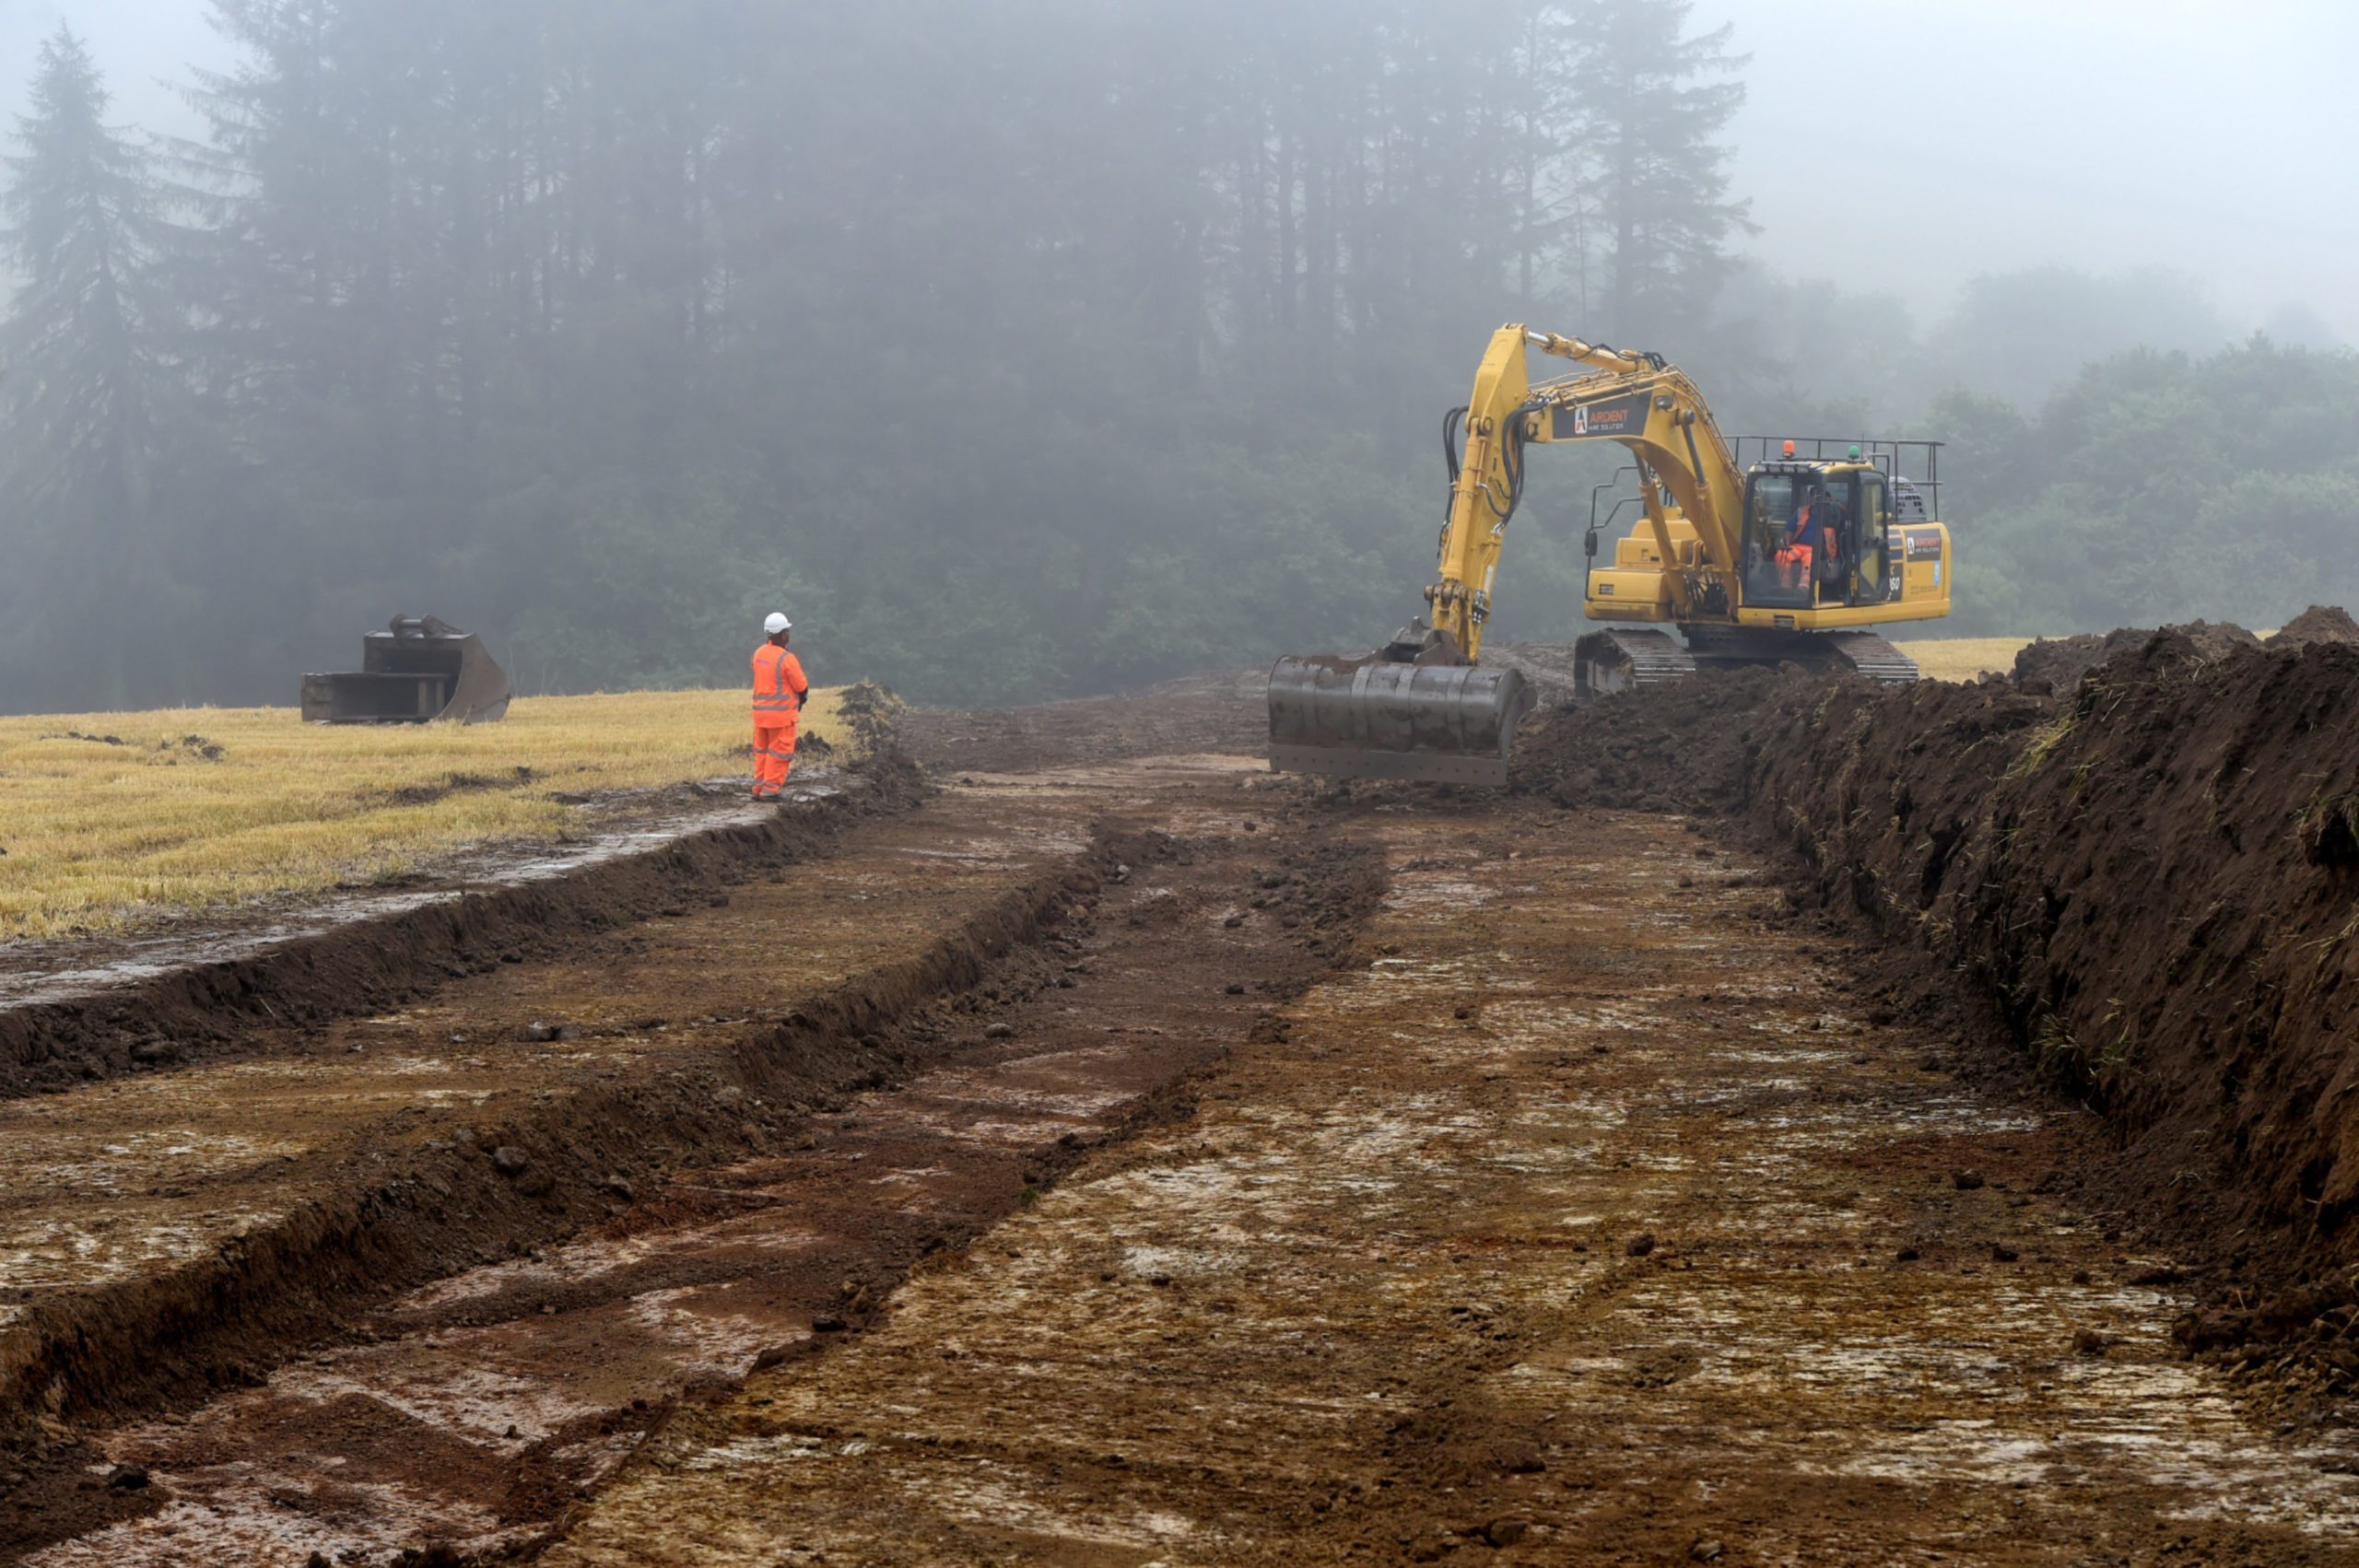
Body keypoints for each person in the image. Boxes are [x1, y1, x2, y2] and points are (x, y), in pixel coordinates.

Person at [751, 612, 808, 802]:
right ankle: (771, 791)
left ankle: (758, 788)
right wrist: (802, 698)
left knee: (762, 753)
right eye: (787, 632)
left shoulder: (759, 654)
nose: (789, 635)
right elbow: (801, 686)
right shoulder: (787, 658)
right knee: (779, 753)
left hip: (760, 715)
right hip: (781, 717)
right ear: (782, 634)